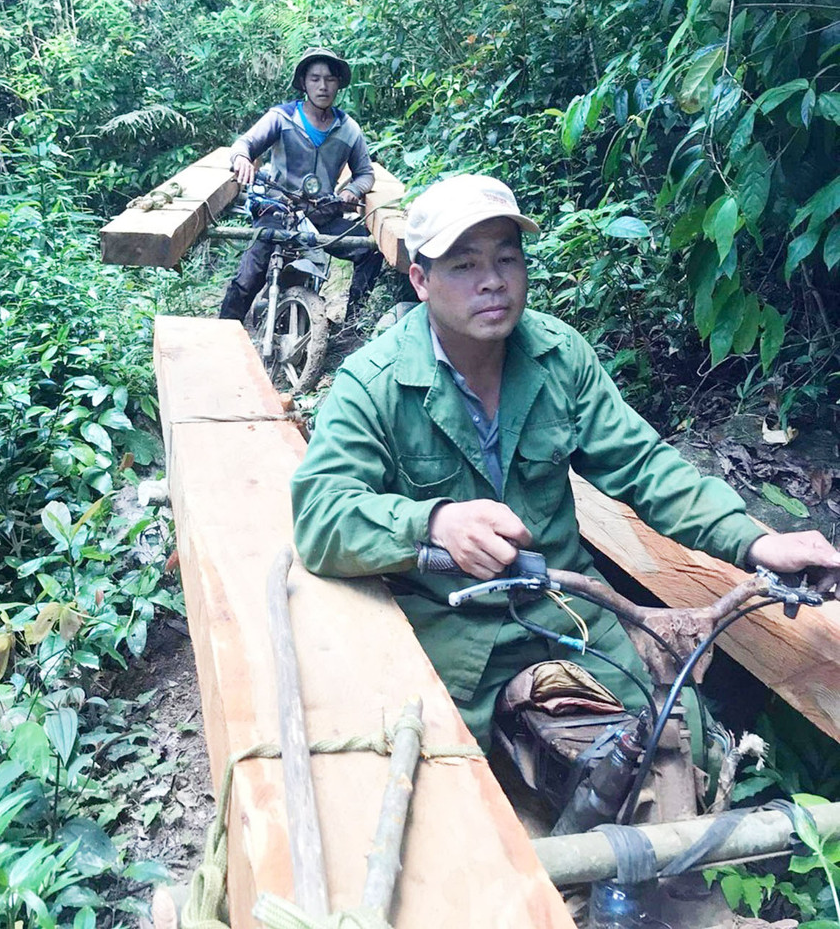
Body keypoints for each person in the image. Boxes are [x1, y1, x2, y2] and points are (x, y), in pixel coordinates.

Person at [292, 173, 840, 751]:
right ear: (421, 281)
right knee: (440, 790)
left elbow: (645, 466)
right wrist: (433, 523)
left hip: (566, 606)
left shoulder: (558, 357)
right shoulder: (373, 385)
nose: (493, 283)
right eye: (464, 266)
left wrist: (755, 543)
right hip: (449, 628)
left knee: (679, 746)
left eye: (507, 259)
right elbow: (321, 517)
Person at [219, 47, 382, 323]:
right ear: (304, 83)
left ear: (338, 84)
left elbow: (366, 173)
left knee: (369, 249)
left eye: (330, 79)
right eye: (315, 78)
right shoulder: (281, 118)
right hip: (278, 211)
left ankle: (353, 325)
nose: (323, 86)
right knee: (249, 274)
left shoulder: (348, 128)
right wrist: (242, 158)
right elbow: (244, 144)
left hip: (323, 215)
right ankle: (225, 331)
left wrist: (352, 190)